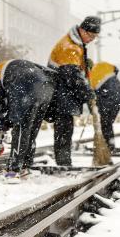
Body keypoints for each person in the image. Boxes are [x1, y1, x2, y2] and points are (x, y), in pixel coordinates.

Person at [0, 59, 54, 174]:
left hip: (26, 81)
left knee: (21, 127)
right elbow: (6, 109)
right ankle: (25, 166)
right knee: (30, 129)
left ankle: (14, 169)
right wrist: (7, 123)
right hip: (45, 84)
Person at [45, 16, 100, 166]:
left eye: (95, 37)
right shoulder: (70, 46)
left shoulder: (77, 44)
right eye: (91, 35)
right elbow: (71, 74)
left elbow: (74, 71)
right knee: (64, 128)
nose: (92, 39)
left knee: (66, 128)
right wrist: (88, 93)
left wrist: (84, 64)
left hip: (65, 91)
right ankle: (63, 162)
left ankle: (64, 160)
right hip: (60, 91)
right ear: (82, 30)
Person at [88, 60, 120, 150]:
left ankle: (108, 146)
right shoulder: (103, 65)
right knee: (108, 123)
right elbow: (116, 69)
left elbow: (91, 97)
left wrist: (92, 110)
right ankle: (109, 145)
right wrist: (112, 83)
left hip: (108, 99)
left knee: (105, 123)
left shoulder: (90, 78)